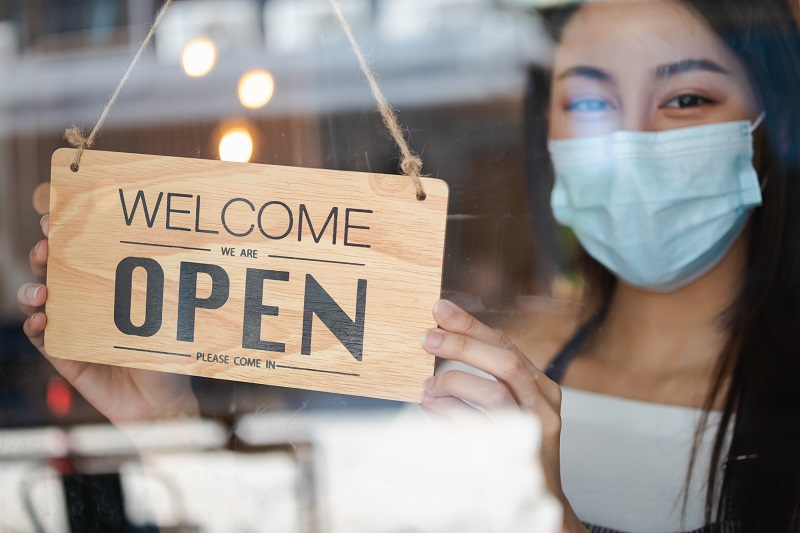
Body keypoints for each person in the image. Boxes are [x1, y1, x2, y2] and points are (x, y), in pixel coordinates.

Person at [18, 0, 800, 531]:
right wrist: (168, 425)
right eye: (590, 102)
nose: (627, 139)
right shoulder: (463, 362)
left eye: (687, 100)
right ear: (549, 132)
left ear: (776, 119)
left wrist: (546, 512)